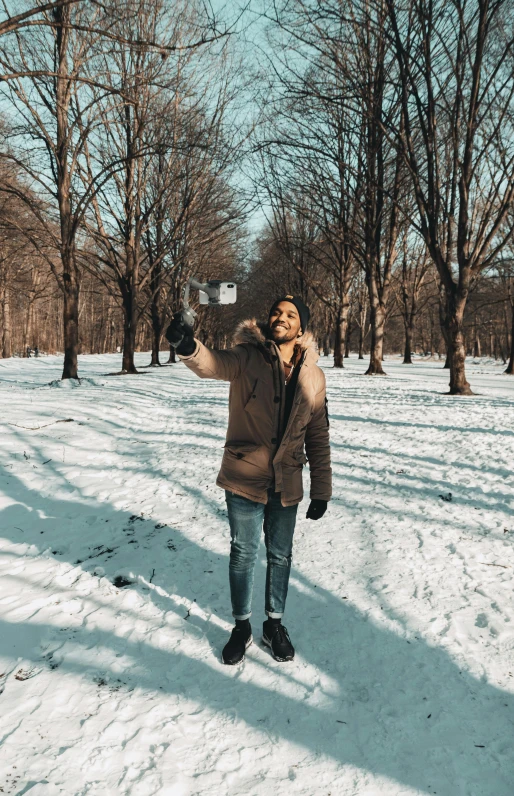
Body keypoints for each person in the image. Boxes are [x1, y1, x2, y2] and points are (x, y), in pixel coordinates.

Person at [166, 296, 332, 665]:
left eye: (291, 315)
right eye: (276, 311)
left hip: (286, 481)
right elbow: (212, 364)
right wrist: (186, 345)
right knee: (243, 553)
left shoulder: (314, 377)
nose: (281, 318)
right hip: (245, 474)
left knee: (280, 555)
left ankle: (274, 624)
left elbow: (318, 435)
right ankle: (241, 627)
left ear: (301, 328)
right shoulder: (247, 356)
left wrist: (322, 490)